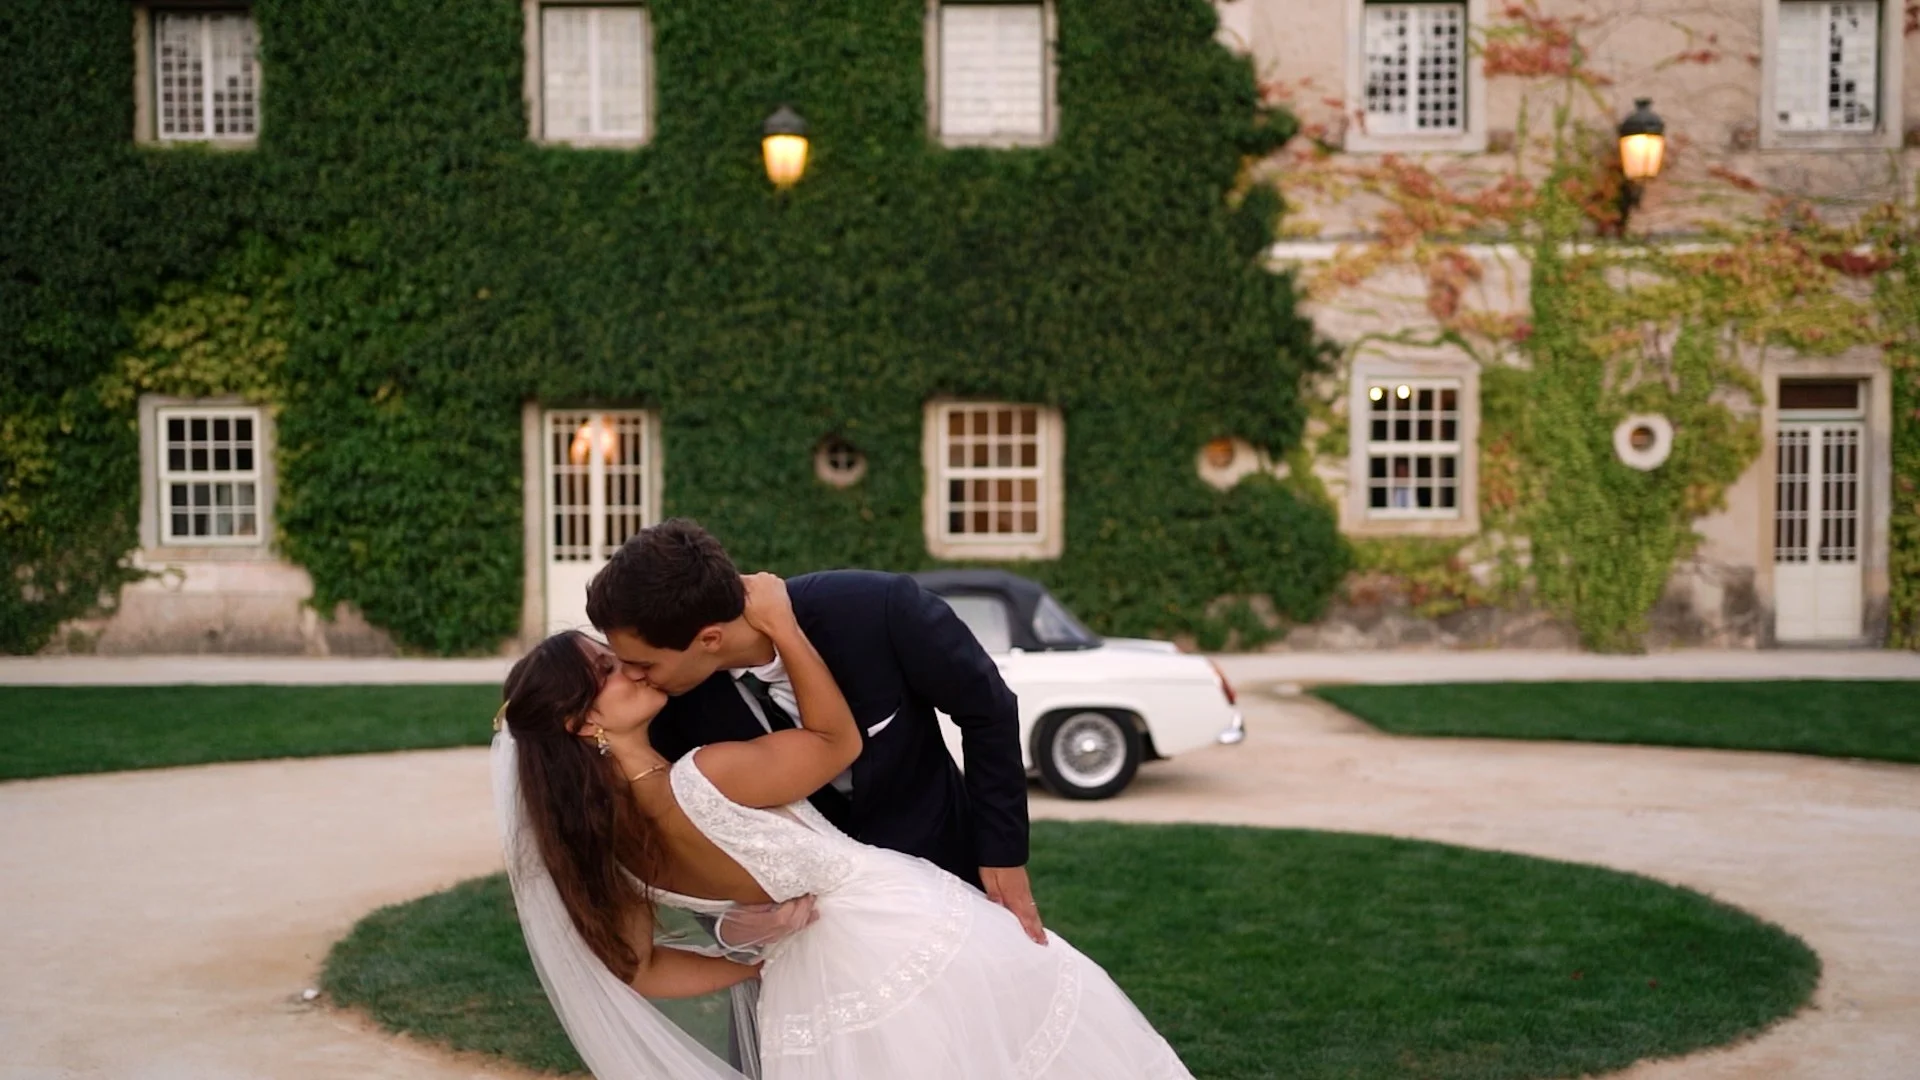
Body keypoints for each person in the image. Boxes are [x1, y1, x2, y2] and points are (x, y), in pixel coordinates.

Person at [492, 574, 1195, 1079]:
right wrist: (785, 629)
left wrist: (755, 955)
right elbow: (837, 745)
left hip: (806, 992)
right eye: (612, 669)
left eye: (631, 660)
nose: (635, 672)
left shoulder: (604, 841)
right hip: (905, 931)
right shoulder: (698, 761)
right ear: (581, 722)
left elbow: (639, 965)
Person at [583, 519, 1044, 943]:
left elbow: (988, 710)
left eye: (643, 663)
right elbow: (698, 845)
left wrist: (1002, 853)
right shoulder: (670, 717)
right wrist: (735, 927)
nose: (632, 676)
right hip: (817, 940)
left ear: (709, 639)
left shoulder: (876, 611)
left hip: (950, 876)